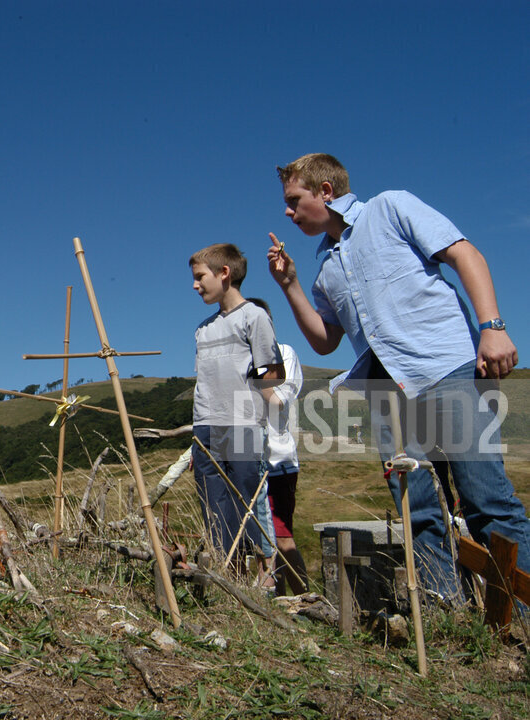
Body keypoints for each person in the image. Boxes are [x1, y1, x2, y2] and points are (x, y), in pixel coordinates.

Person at [267, 152, 530, 599]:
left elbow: (464, 253)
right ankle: (445, 615)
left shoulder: (390, 208)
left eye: (294, 200)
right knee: (419, 511)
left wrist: (492, 328)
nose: (288, 212)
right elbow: (325, 341)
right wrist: (290, 284)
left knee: (486, 500)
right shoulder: (325, 270)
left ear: (325, 191)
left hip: (447, 370)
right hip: (387, 393)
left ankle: (523, 622)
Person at [190, 243, 284, 570]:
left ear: (224, 273)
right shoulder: (203, 329)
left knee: (245, 500)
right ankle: (227, 573)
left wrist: (264, 391)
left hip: (243, 423)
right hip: (206, 425)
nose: (195, 284)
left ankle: (262, 573)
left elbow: (268, 367)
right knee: (213, 503)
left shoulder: (253, 317)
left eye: (200, 277)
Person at [248, 297, 310, 595]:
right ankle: (275, 602)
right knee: (255, 540)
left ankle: (304, 600)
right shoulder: (237, 359)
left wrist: (253, 374)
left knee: (282, 537)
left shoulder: (284, 354)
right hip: (245, 458)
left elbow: (279, 400)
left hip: (277, 460)